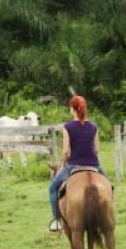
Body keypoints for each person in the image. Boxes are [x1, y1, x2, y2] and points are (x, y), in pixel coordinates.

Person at [48, 95, 110, 232]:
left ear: (72, 109)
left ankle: (57, 220)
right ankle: (107, 215)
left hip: (74, 165)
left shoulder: (68, 127)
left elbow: (65, 151)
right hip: (94, 165)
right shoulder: (94, 126)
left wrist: (63, 165)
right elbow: (96, 149)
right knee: (109, 186)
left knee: (52, 188)